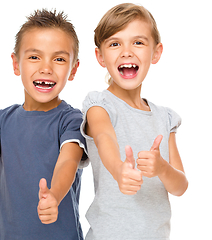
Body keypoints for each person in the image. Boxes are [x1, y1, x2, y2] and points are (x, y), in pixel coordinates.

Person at [0, 9, 87, 240]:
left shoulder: (72, 120)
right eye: (34, 57)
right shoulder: (1, 121)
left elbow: (69, 160)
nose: (46, 67)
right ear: (16, 64)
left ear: (73, 69)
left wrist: (54, 195)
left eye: (59, 59)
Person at [81, 3, 188, 240]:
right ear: (100, 56)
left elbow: (180, 186)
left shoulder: (165, 117)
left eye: (138, 42)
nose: (127, 52)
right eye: (115, 43)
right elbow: (103, 136)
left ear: (156, 52)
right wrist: (119, 169)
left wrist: (162, 168)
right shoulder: (99, 104)